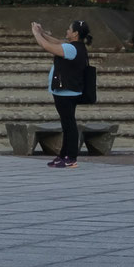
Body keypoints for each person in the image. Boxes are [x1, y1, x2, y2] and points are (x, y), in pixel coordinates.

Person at [30, 18, 92, 168]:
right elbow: (56, 42)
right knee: (67, 124)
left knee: (69, 125)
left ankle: (71, 157)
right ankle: (64, 155)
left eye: (69, 30)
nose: (67, 31)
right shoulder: (76, 46)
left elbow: (47, 46)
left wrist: (36, 34)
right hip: (68, 92)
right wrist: (42, 32)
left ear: (75, 33)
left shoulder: (71, 49)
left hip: (66, 92)